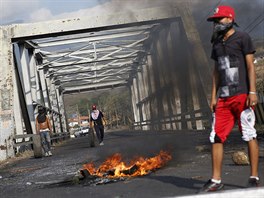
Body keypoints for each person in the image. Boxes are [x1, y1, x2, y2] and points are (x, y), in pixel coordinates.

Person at [201, 5, 260, 192]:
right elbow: (216, 73)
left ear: (229, 19)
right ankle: (216, 179)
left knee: (249, 134)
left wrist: (252, 91)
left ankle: (253, 176)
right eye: (215, 21)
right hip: (224, 99)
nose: (216, 24)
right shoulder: (217, 44)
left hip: (242, 94)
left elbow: (250, 66)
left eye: (219, 20)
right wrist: (213, 97)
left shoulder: (243, 38)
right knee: (216, 137)